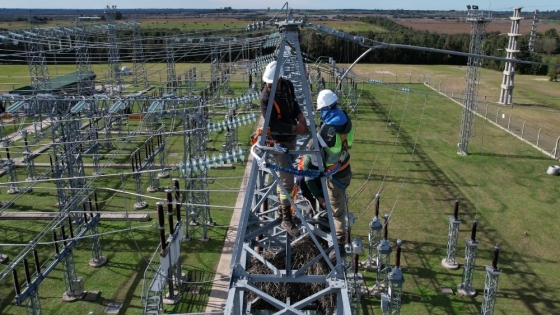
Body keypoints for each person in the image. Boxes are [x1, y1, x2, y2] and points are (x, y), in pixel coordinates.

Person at [259, 61, 308, 237]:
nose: (269, 84)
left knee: (287, 178)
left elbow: (293, 105)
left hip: (291, 138)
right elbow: (273, 124)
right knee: (286, 181)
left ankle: (284, 209)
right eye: (268, 82)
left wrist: (300, 117)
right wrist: (297, 128)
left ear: (279, 78)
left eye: (272, 81)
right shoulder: (265, 98)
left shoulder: (287, 85)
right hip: (278, 142)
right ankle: (286, 219)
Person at [315, 89, 355, 260]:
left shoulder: (327, 129)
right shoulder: (345, 119)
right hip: (344, 168)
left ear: (327, 108)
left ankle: (339, 247)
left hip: (335, 175)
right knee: (337, 204)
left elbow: (320, 154)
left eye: (321, 110)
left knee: (337, 212)